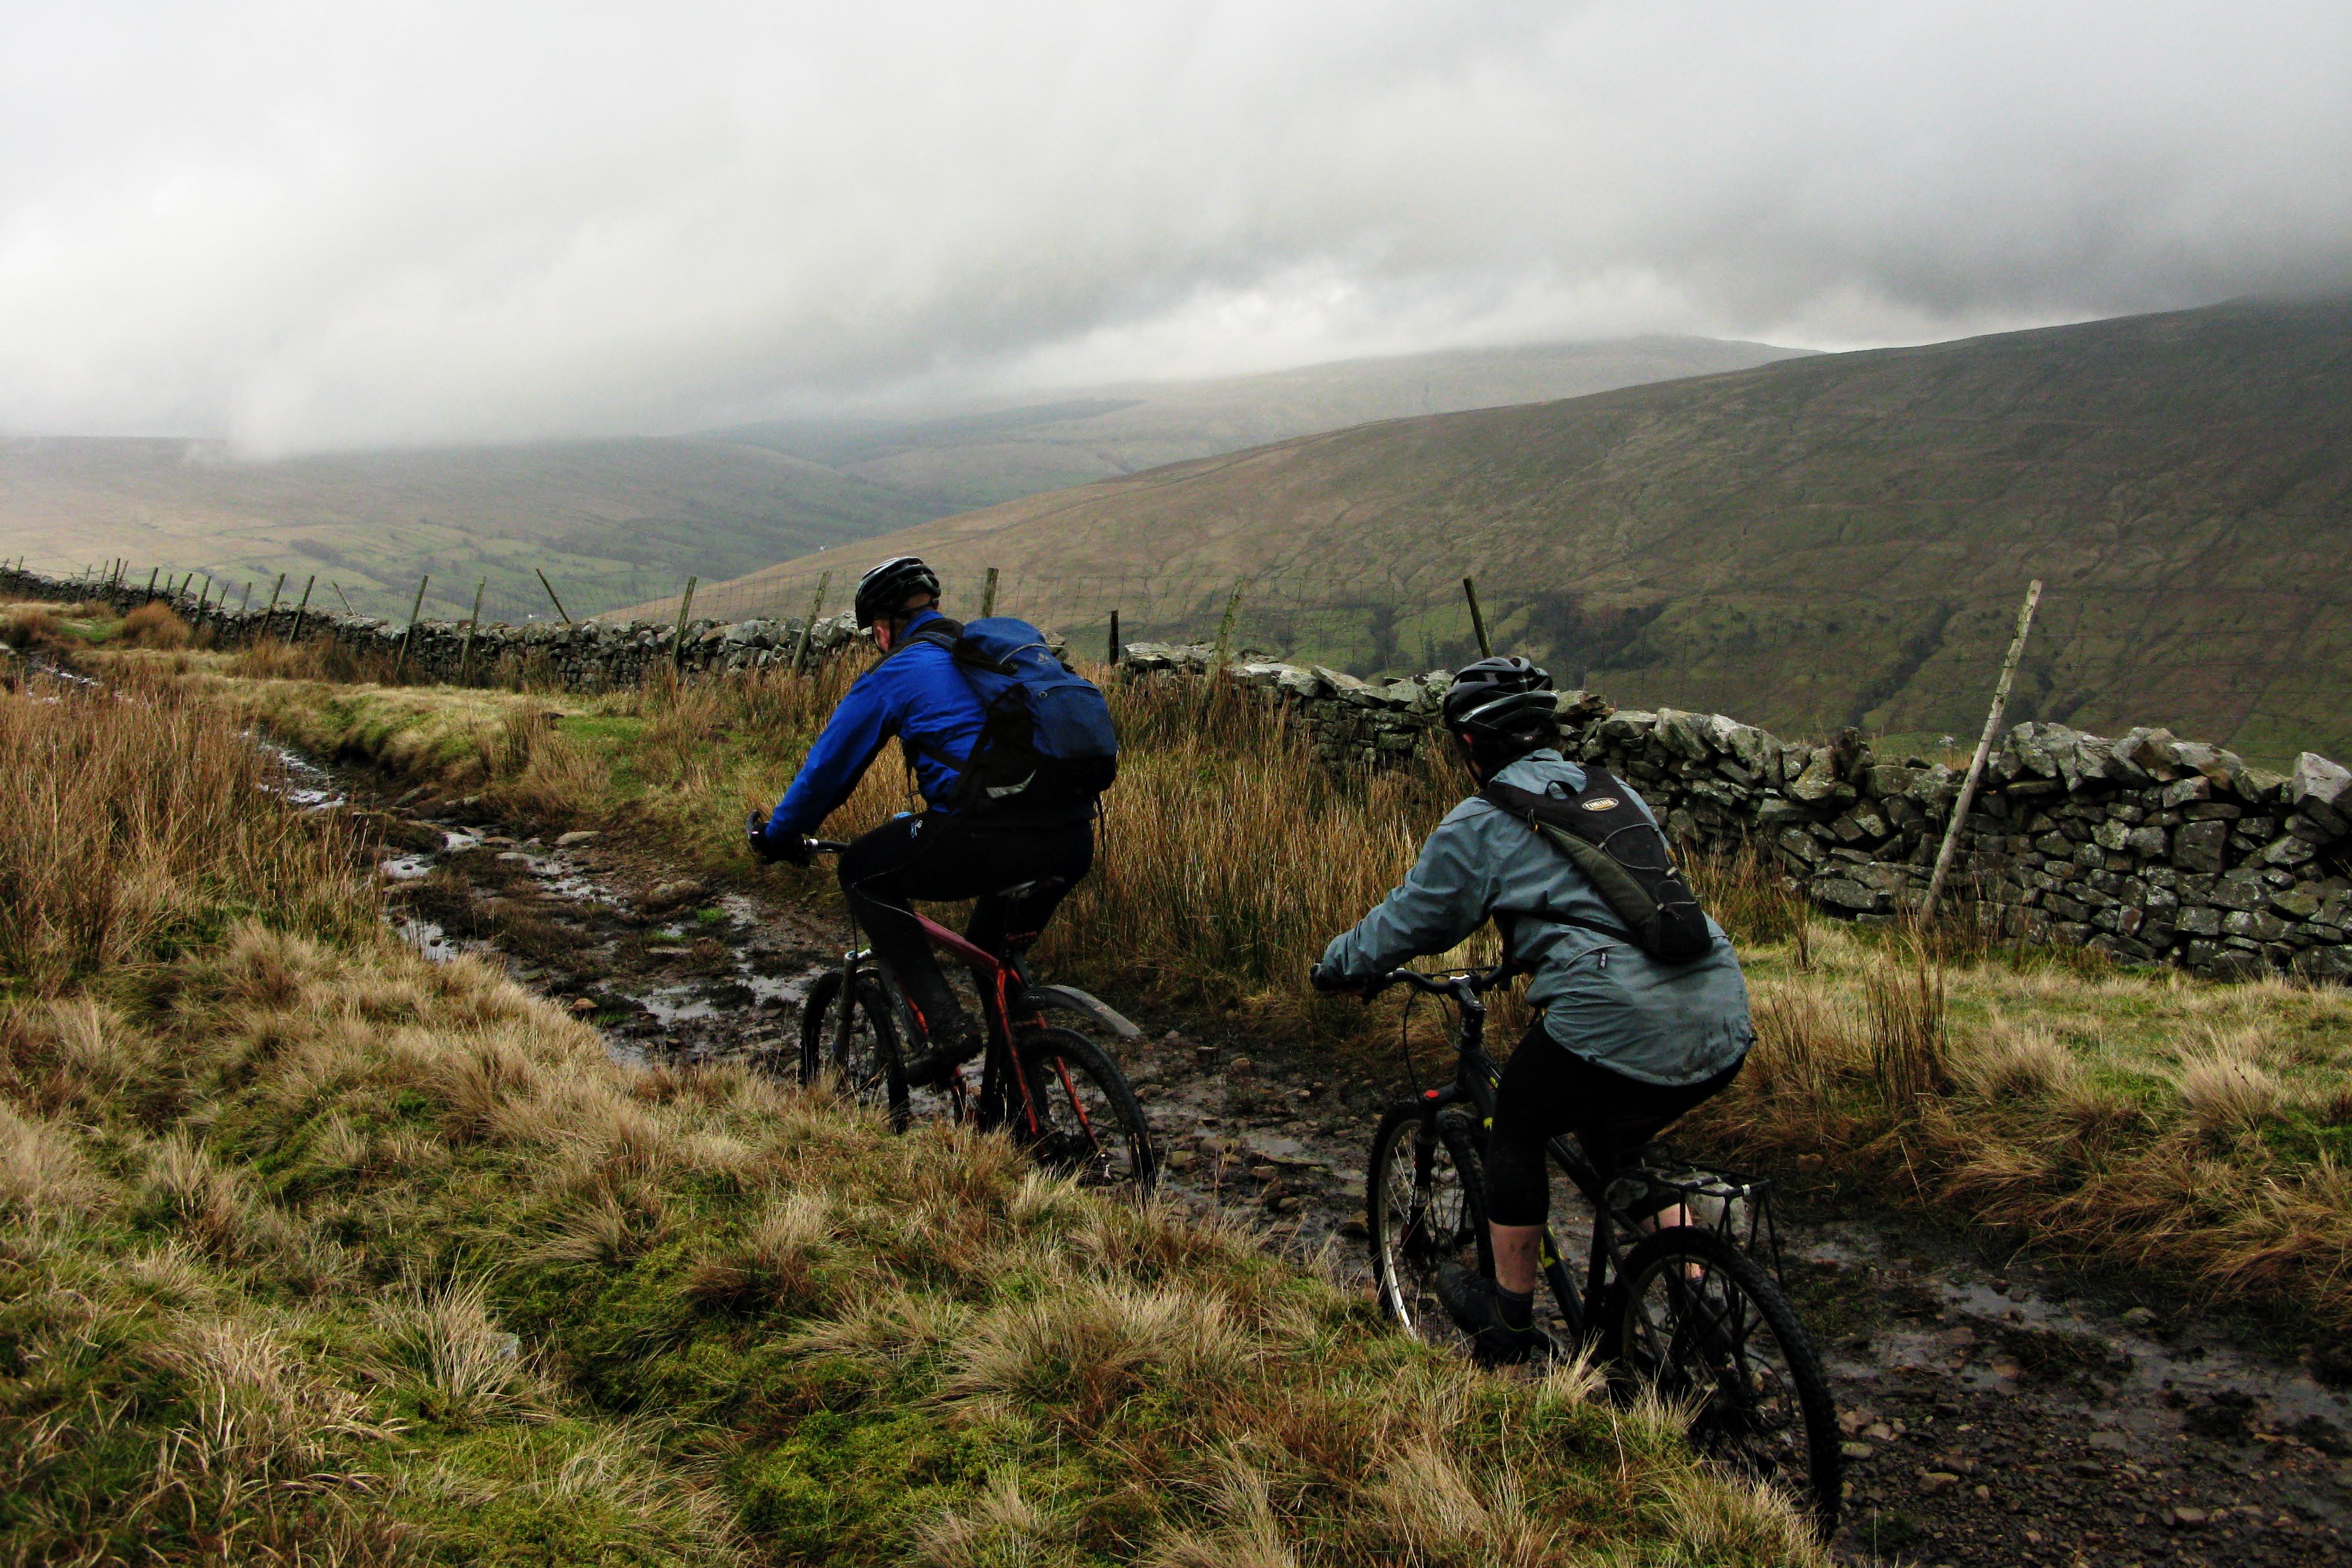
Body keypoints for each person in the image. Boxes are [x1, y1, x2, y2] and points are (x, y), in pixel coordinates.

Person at [1311, 657, 1755, 1365]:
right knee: (1616, 1142)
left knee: (1516, 1121)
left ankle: (1509, 1319)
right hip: (1721, 1006)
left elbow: (1412, 921)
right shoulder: (1614, 793)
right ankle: (1696, 1295)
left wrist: (1338, 968)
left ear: (1467, 746)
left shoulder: (1481, 822)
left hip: (1617, 1012)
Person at [748, 556, 1096, 1085]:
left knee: (862, 871)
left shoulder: (898, 670)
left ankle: (946, 1026)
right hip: (1072, 837)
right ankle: (1025, 1106)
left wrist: (778, 835)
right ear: (930, 607)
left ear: (884, 626)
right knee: (990, 950)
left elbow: (829, 769)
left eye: (874, 632)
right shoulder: (985, 657)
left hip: (985, 837)